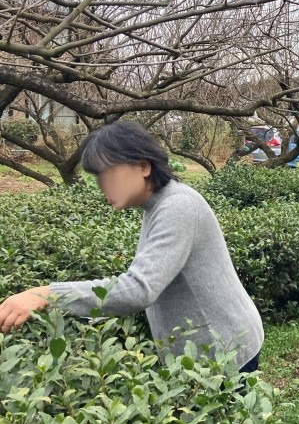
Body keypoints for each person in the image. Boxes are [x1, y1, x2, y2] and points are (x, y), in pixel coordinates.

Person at [0, 122, 264, 373]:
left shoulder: (178, 207)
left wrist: (46, 295)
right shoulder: (159, 204)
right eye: (97, 177)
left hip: (226, 350)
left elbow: (138, 290)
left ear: (143, 167)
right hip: (206, 351)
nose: (102, 186)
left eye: (109, 174)